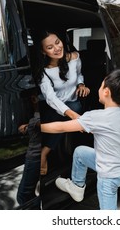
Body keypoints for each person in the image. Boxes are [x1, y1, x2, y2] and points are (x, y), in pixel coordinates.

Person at [40, 69, 120, 210]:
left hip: (109, 175)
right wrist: (87, 124)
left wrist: (37, 127)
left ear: (106, 91)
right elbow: (108, 131)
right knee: (80, 152)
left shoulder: (97, 117)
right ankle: (77, 188)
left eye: (101, 86)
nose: (99, 88)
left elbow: (61, 127)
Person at [33, 29, 90, 175]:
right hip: (54, 105)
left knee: (74, 106)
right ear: (44, 52)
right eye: (50, 47)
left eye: (57, 42)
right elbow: (51, 98)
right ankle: (44, 153)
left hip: (72, 103)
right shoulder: (44, 72)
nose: (57, 48)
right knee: (60, 114)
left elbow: (79, 75)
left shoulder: (75, 57)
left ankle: (43, 152)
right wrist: (71, 114)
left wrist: (81, 85)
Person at [16, 93, 41, 209]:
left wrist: (29, 125)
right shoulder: (37, 117)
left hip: (34, 157)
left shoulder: (37, 122)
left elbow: (40, 124)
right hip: (36, 156)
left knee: (23, 196)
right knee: (27, 194)